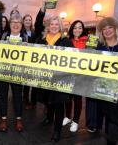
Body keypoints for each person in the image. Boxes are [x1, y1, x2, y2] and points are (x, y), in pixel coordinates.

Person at [35, 13, 73, 142]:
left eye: (57, 24)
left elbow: (73, 58)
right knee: (47, 99)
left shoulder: (66, 41)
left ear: (60, 26)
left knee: (58, 104)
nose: (54, 26)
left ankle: (57, 130)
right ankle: (49, 117)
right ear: (48, 25)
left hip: (60, 78)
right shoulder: (41, 39)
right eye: (52, 24)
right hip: (45, 76)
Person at [95, 17, 118, 144]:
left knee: (117, 117)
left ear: (115, 29)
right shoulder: (100, 46)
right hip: (105, 87)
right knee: (108, 114)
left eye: (110, 28)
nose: (107, 31)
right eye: (104, 29)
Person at [0, 13, 26, 132]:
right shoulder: (3, 35)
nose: (15, 24)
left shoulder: (26, 38)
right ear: (9, 24)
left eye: (18, 22)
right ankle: (3, 119)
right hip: (3, 70)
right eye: (13, 22)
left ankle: (19, 119)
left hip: (18, 72)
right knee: (3, 95)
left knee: (18, 96)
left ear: (21, 25)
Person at [62, 20, 88, 132]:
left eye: (80, 27)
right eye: (75, 27)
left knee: (78, 100)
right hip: (68, 75)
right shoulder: (67, 41)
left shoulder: (88, 42)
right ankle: (67, 117)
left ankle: (76, 121)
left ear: (83, 29)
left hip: (81, 76)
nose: (77, 30)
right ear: (72, 29)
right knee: (67, 98)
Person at [22, 14, 37, 110]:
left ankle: (32, 100)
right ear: (23, 21)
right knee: (25, 80)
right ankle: (25, 98)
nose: (28, 21)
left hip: (32, 59)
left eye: (29, 20)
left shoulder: (34, 32)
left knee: (32, 80)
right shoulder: (21, 31)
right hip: (24, 59)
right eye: (26, 20)